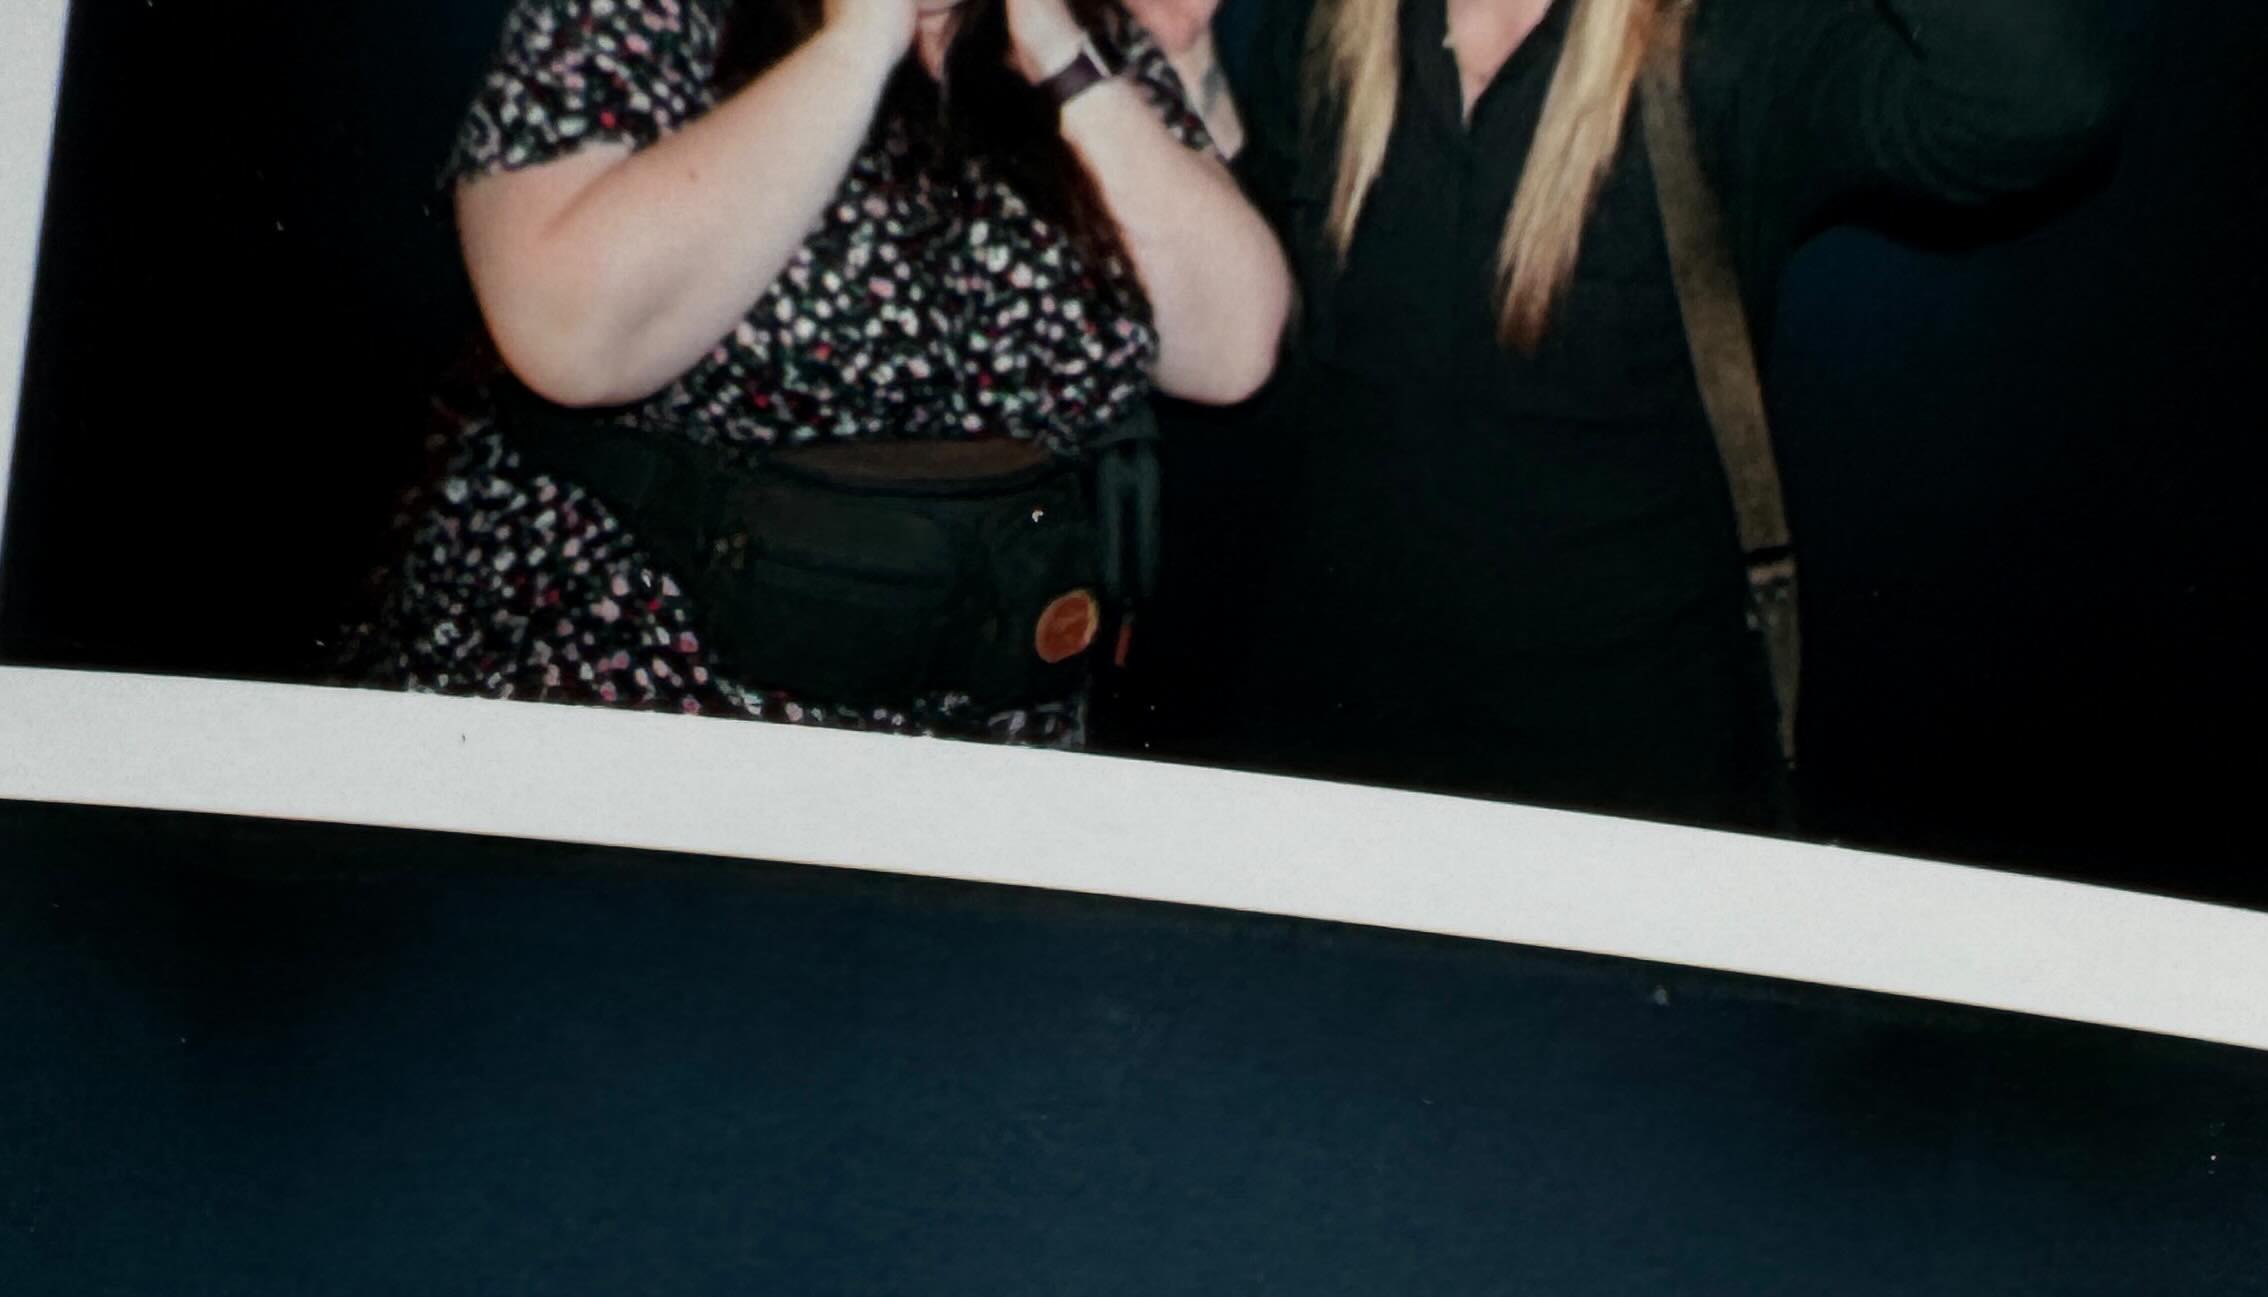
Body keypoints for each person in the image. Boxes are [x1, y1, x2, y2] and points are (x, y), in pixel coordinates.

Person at [1126, 0, 2123, 823]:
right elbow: (1270, 344)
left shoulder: (1729, 40)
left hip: (1622, 785)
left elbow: (2035, 103)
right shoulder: (1337, 27)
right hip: (1323, 754)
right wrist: (1194, 68)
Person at [344, 0, 1289, 740]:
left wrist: (1053, 40)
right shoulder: (645, 13)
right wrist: (860, 41)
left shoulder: (1079, 36)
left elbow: (1234, 348)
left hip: (981, 726)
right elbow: (568, 340)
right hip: (641, 688)